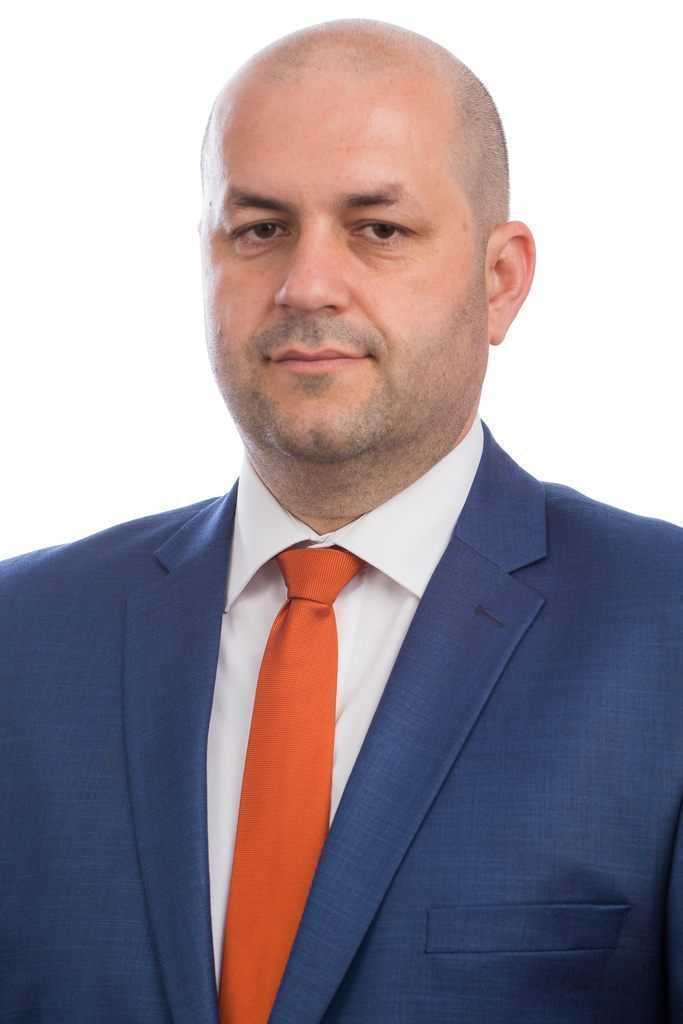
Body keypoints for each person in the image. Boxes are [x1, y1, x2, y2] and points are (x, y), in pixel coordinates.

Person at [1, 16, 681, 1024]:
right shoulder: (22, 639)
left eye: (378, 228)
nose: (306, 285)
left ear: (499, 278)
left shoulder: (662, 630)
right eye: (259, 228)